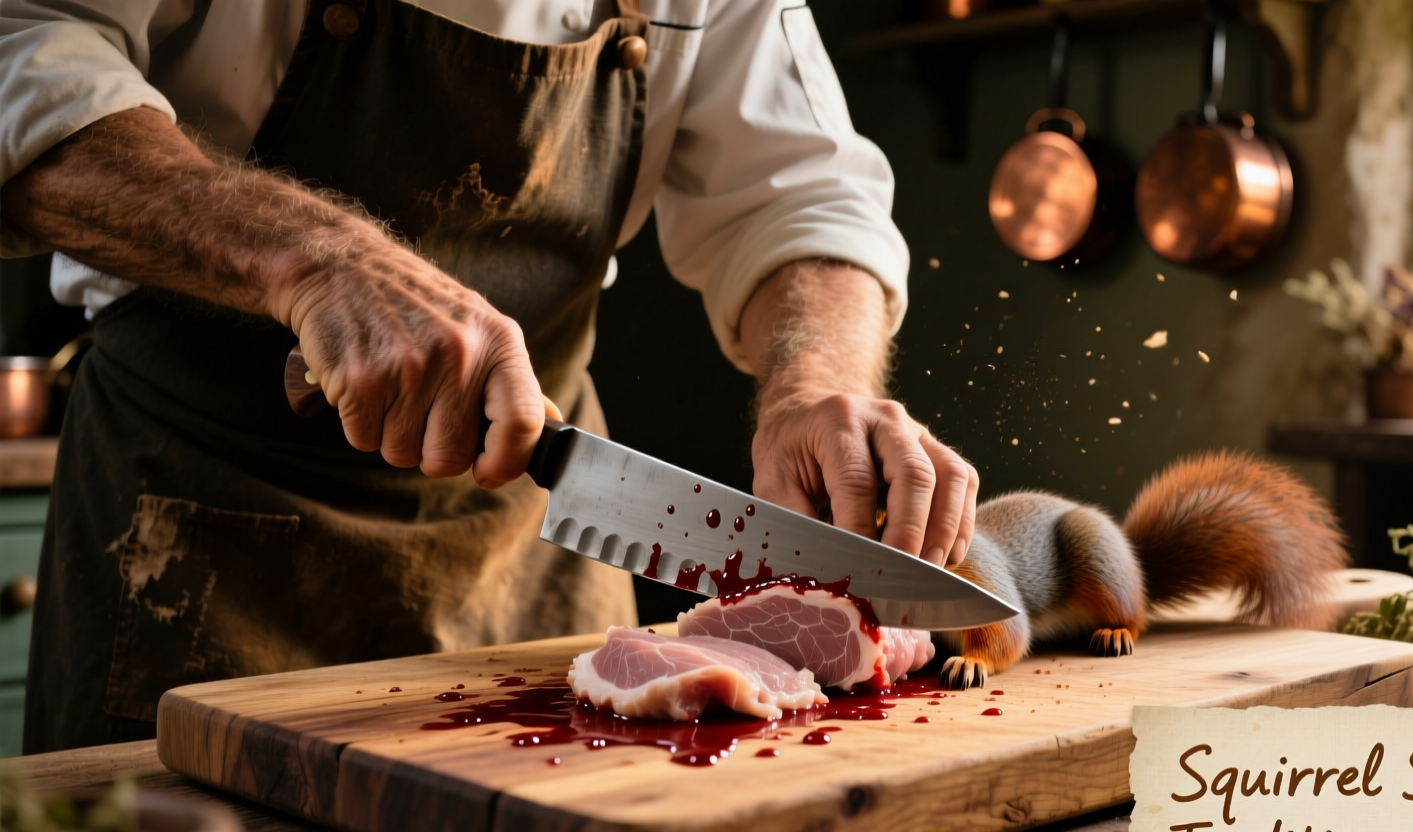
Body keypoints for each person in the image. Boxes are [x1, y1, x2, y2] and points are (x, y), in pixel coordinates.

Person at [0, 0, 979, 752]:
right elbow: (23, 45)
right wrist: (308, 254)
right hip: (191, 538)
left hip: (525, 557)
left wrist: (814, 378)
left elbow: (801, 191)